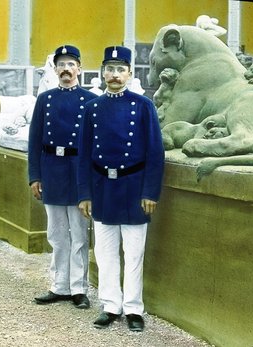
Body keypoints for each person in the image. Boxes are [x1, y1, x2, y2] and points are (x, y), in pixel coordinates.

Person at [77, 46, 165, 331]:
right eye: (110, 69)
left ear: (129, 73)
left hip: (134, 188)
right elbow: (84, 155)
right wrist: (84, 194)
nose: (114, 75)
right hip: (102, 188)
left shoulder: (143, 106)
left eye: (120, 70)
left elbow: (155, 152)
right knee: (105, 252)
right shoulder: (91, 108)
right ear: (103, 72)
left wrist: (150, 192)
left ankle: (133, 309)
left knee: (134, 252)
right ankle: (111, 305)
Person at [28, 45, 98, 309]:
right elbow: (34, 141)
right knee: (56, 234)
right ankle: (59, 286)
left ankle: (79, 289)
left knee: (79, 234)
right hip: (52, 172)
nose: (66, 70)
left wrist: (90, 182)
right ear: (55, 69)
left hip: (78, 172)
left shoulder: (91, 100)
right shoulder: (45, 100)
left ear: (79, 69)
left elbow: (94, 145)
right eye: (61, 65)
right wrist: (35, 176)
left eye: (71, 64)